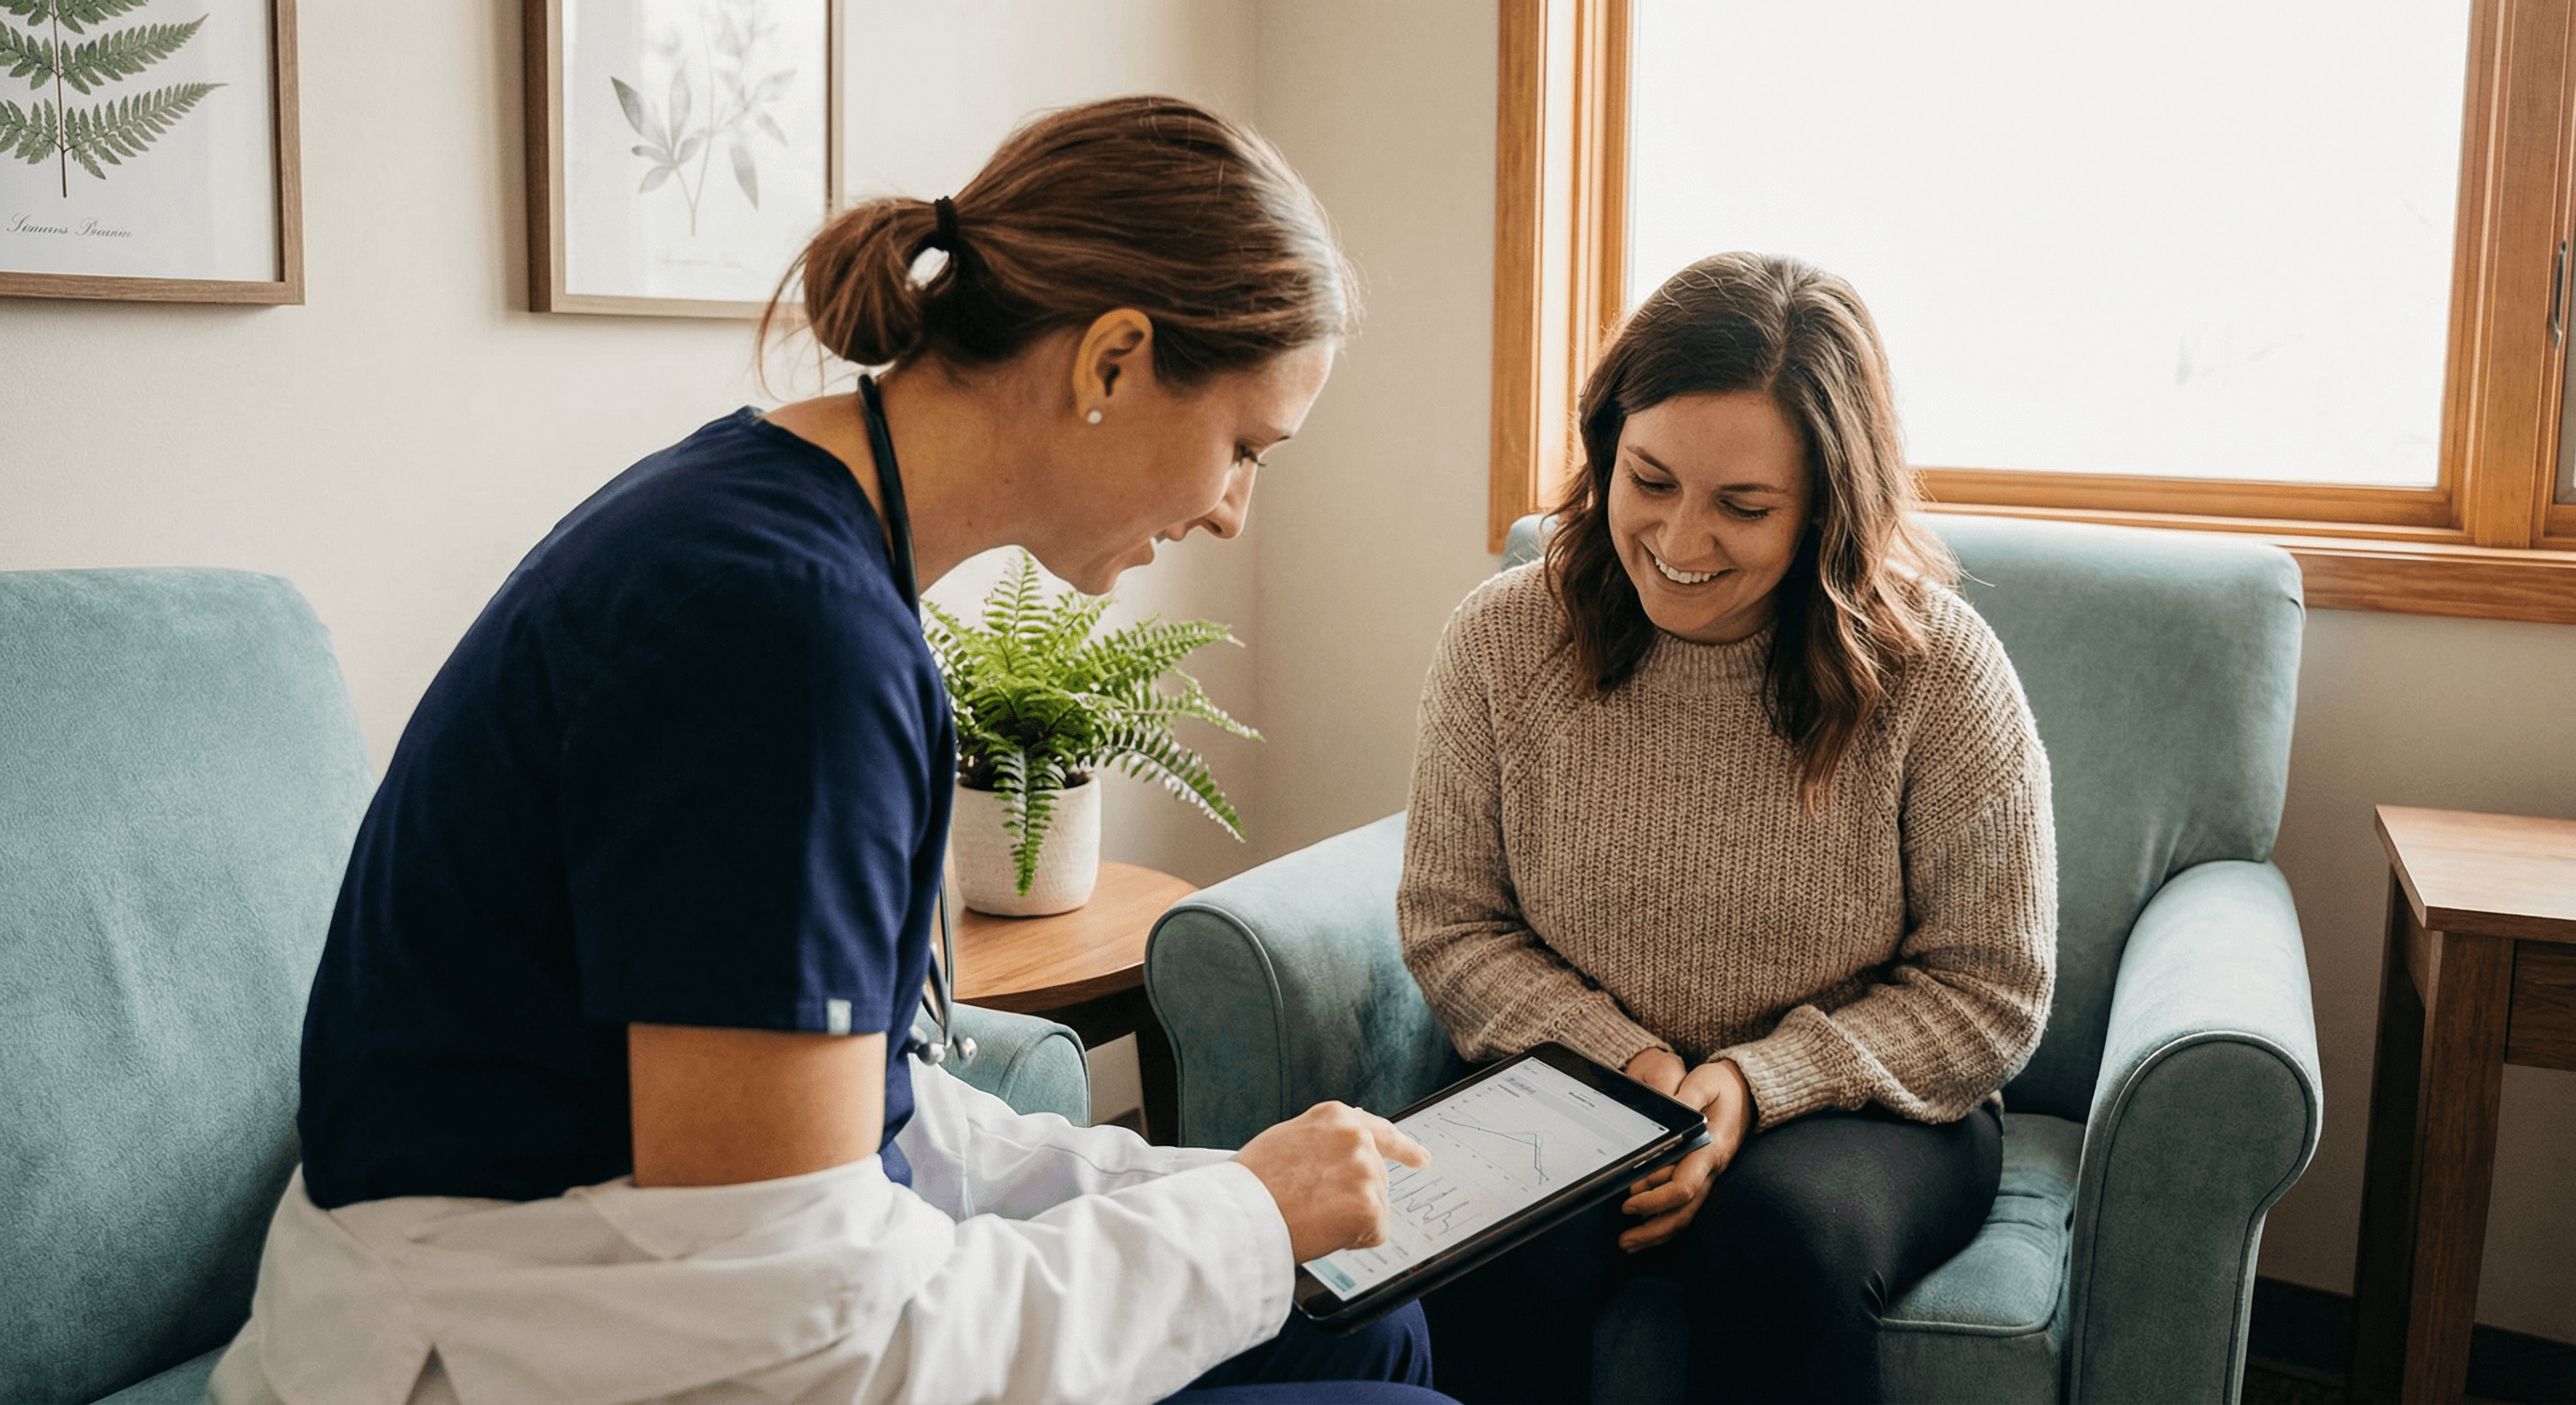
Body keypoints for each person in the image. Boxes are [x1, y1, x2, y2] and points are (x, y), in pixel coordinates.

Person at [207, 96, 1452, 1405]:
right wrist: (1240, 1223)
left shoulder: (785, 528)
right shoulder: (778, 640)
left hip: (653, 1277)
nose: (1232, 512)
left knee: (1359, 1315)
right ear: (1113, 362)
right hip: (522, 1332)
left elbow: (877, 1119)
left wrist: (1213, 1192)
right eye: (1244, 448)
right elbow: (805, 1342)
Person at [1398, 252, 2057, 1404]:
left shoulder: (1939, 673)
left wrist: (1755, 1082)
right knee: (1484, 1248)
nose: (1678, 538)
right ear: (1607, 445)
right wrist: (1636, 1067)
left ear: (1825, 510)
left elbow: (1989, 988)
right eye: (1648, 479)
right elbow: (1453, 924)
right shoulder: (1501, 641)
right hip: (1579, 1076)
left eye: (1742, 507)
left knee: (1776, 1244)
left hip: (1858, 1108)